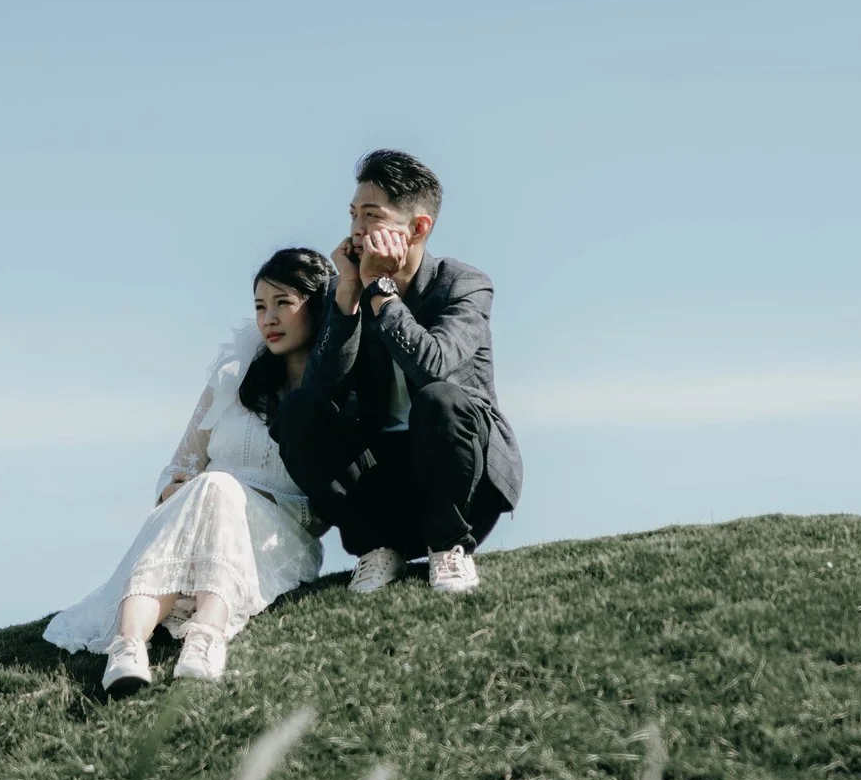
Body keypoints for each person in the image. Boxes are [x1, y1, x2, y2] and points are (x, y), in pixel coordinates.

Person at [43, 248, 333, 692]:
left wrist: (235, 492)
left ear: (315, 305)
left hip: (275, 533)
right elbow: (178, 466)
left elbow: (325, 507)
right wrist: (174, 490)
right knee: (212, 486)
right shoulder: (233, 379)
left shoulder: (332, 390)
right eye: (260, 307)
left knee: (219, 486)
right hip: (195, 513)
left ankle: (206, 635)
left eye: (283, 303)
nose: (269, 319)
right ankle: (128, 647)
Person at [272, 149, 522, 596]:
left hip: (459, 484)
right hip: (381, 484)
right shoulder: (345, 288)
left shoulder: (463, 284)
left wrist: (381, 292)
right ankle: (375, 548)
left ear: (418, 228)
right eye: (353, 214)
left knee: (440, 398)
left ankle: (448, 548)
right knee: (298, 410)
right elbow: (322, 391)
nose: (357, 229)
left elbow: (432, 366)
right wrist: (348, 297)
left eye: (372, 216)